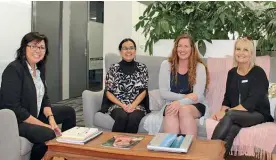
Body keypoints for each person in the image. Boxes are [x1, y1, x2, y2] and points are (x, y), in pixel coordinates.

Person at [0, 32, 76, 160]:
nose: (38, 50)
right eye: (33, 46)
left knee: (69, 112)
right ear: (24, 48)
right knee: (47, 132)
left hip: (34, 111)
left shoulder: (39, 68)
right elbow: (14, 108)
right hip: (16, 120)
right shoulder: (14, 69)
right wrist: (43, 124)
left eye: (42, 47)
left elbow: (45, 97)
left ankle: (68, 153)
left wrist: (51, 118)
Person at [211, 37, 274, 157]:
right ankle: (219, 157)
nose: (241, 53)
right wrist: (221, 111)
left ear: (251, 54)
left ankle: (207, 154)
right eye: (238, 49)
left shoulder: (258, 72)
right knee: (233, 128)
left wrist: (227, 112)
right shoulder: (232, 73)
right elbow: (227, 98)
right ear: (234, 52)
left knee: (230, 115)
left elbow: (252, 103)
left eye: (245, 50)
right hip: (238, 115)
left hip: (258, 114)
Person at [159, 33, 209, 136]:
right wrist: (184, 97)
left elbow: (197, 96)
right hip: (172, 103)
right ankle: (171, 149)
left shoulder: (199, 67)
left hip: (194, 105)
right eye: (179, 46)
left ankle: (191, 148)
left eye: (186, 46)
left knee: (184, 110)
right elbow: (163, 93)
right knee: (171, 110)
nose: (182, 49)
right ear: (175, 48)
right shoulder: (166, 65)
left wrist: (180, 103)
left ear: (192, 49)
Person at [100, 38, 150, 133]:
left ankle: (129, 145)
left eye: (131, 48)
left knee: (134, 117)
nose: (128, 51)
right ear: (120, 51)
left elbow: (144, 91)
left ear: (135, 50)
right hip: (117, 105)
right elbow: (108, 92)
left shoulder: (142, 68)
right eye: (125, 48)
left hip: (137, 105)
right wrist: (122, 105)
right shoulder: (113, 68)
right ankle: (114, 144)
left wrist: (133, 105)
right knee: (121, 116)